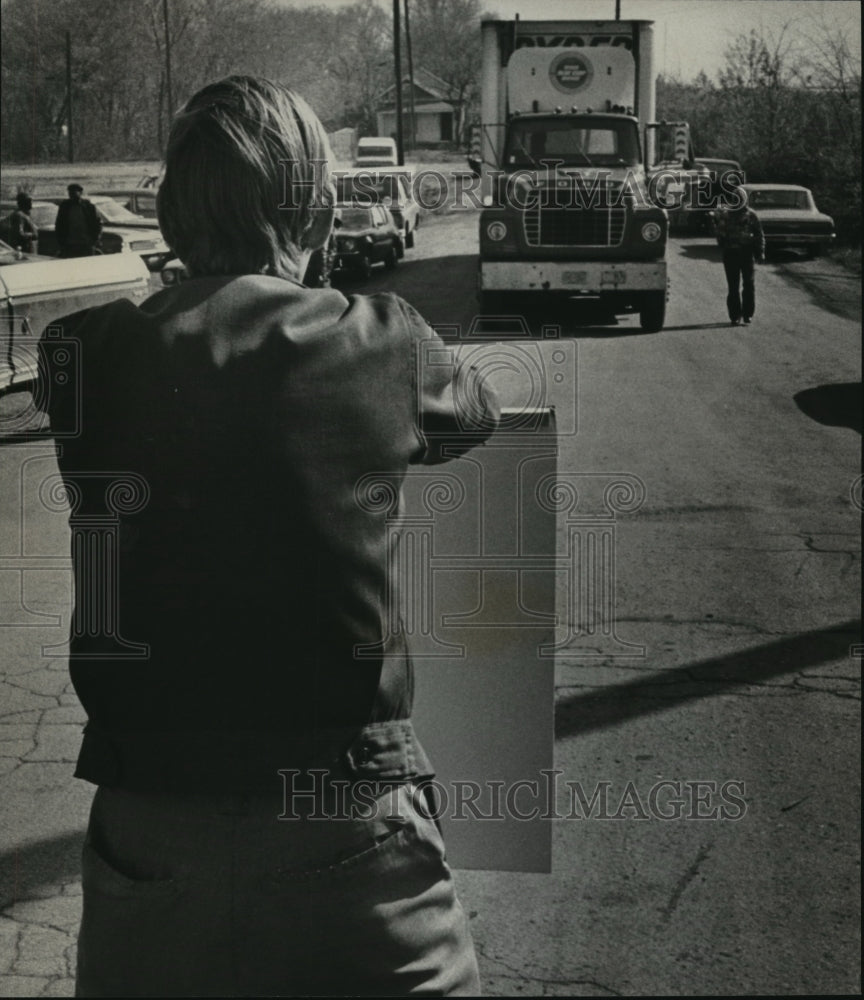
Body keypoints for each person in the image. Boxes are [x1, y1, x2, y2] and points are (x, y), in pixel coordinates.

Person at [38, 77, 497, 996]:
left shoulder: (76, 351)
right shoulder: (388, 339)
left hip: (150, 825)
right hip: (349, 812)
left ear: (169, 212)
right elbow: (475, 416)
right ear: (318, 211)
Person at [712, 186, 765, 326]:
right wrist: (722, 241)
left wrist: (760, 252)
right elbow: (719, 232)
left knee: (749, 284)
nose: (738, 202)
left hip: (747, 253)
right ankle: (735, 315)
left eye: (740, 199)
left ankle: (748, 314)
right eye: (735, 199)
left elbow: (759, 234)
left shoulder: (751, 215)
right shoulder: (726, 214)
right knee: (733, 286)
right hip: (731, 253)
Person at [54, 182, 101, 257]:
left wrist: (95, 239)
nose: (71, 195)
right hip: (70, 244)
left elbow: (97, 223)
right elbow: (59, 224)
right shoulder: (65, 206)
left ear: (80, 193)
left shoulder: (88, 206)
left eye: (74, 193)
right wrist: (61, 242)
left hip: (86, 243)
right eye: (70, 193)